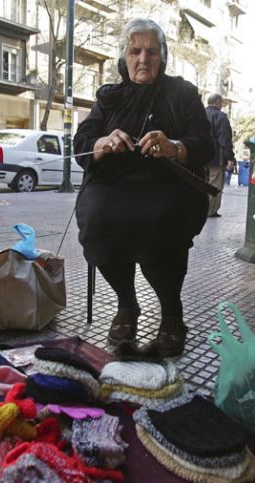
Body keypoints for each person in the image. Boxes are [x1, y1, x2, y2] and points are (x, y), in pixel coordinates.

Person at [73, 18, 214, 358]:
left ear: (162, 57)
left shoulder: (182, 93)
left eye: (151, 51)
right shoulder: (110, 98)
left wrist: (174, 146)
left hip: (170, 188)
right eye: (135, 51)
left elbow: (205, 145)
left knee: (159, 220)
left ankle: (171, 313)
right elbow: (83, 143)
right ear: (125, 56)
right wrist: (105, 141)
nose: (143, 59)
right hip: (113, 186)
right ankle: (126, 304)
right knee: (96, 219)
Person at [204, 93, 235, 216]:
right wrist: (230, 158)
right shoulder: (221, 117)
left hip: (199, 156)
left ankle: (200, 208)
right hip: (216, 157)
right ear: (217, 102)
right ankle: (210, 210)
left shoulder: (199, 113)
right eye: (222, 103)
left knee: (202, 182)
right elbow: (225, 139)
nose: (222, 105)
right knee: (215, 183)